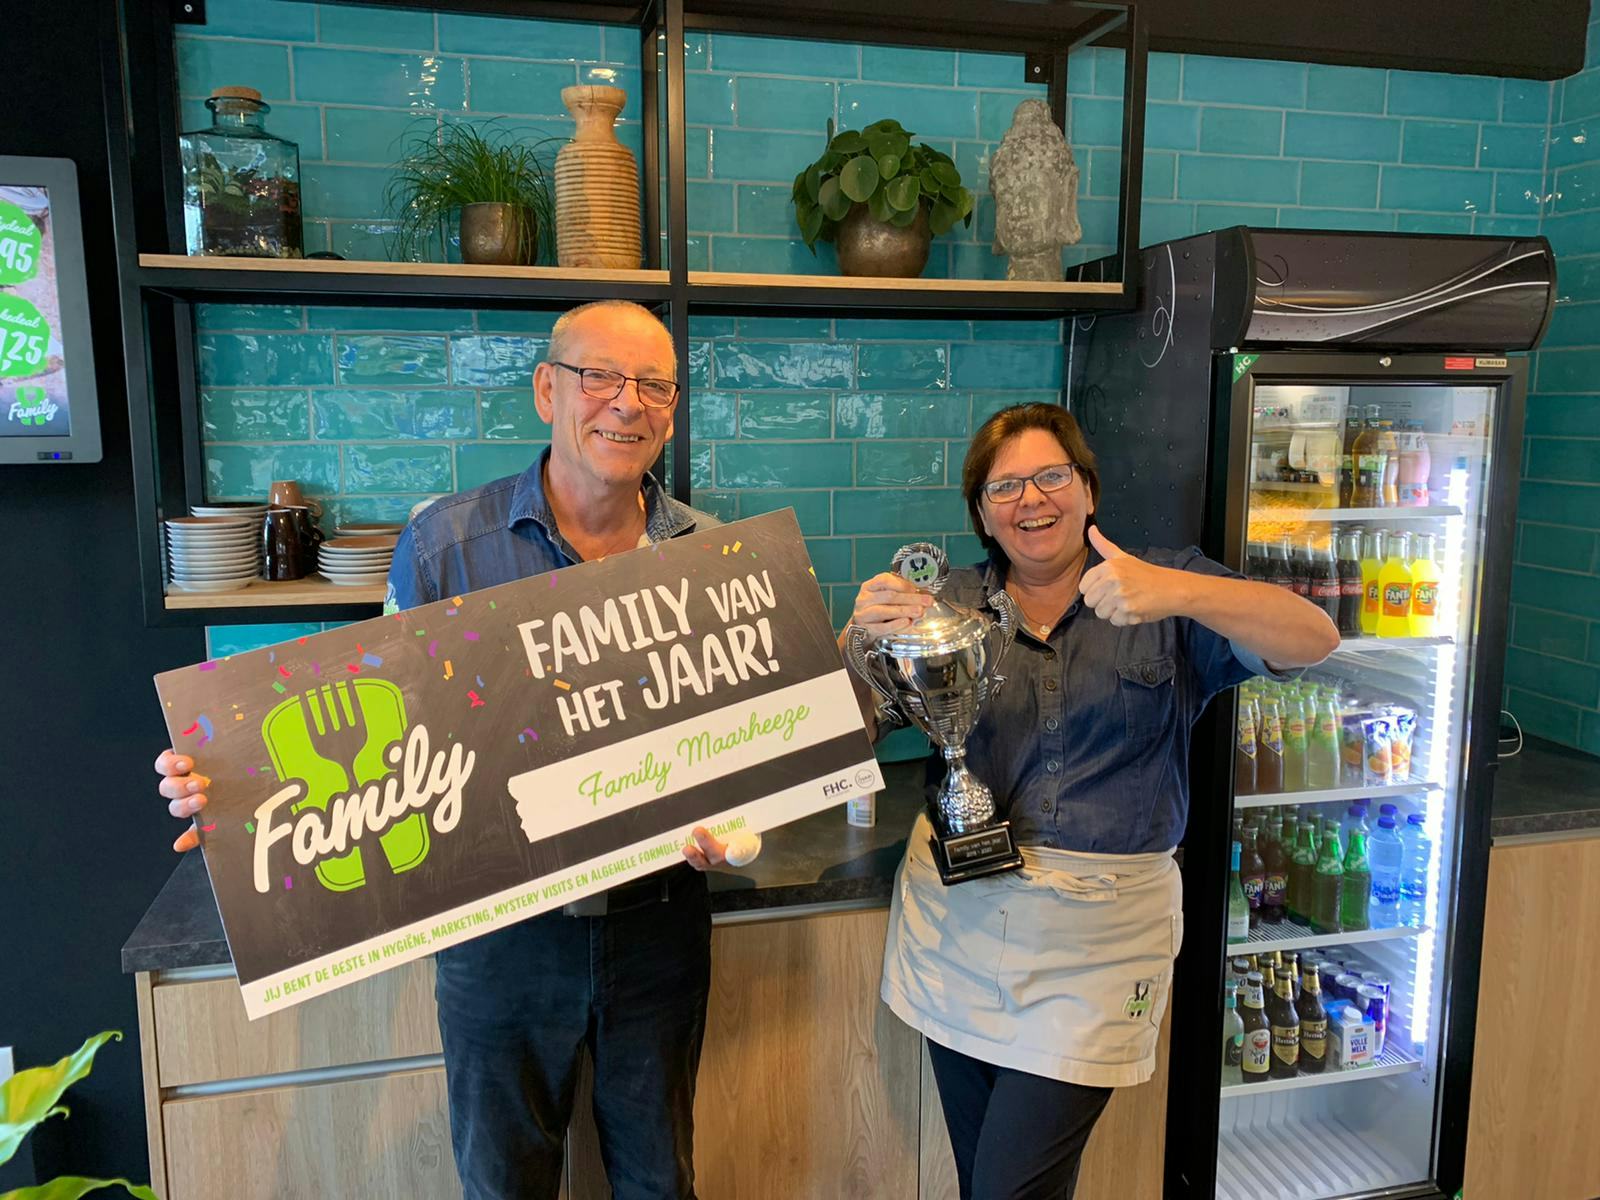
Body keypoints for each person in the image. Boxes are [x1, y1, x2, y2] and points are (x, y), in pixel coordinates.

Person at [155, 300, 734, 1200]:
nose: (627, 402)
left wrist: (739, 810)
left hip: (659, 924)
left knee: (663, 1184)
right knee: (504, 1187)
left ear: (670, 409)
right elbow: (377, 727)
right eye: (599, 376)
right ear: (546, 390)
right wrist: (232, 791)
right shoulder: (446, 546)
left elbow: (732, 740)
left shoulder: (711, 555)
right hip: (501, 936)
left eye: (653, 385)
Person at [847, 402, 1337, 1200]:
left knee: (1011, 1188)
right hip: (961, 927)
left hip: (1102, 942)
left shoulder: (1160, 589)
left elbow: (1313, 637)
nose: (1031, 500)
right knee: (986, 1184)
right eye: (1004, 487)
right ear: (981, 514)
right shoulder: (947, 606)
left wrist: (1180, 592)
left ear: (1088, 489)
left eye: (1051, 476)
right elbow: (845, 736)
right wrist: (856, 645)